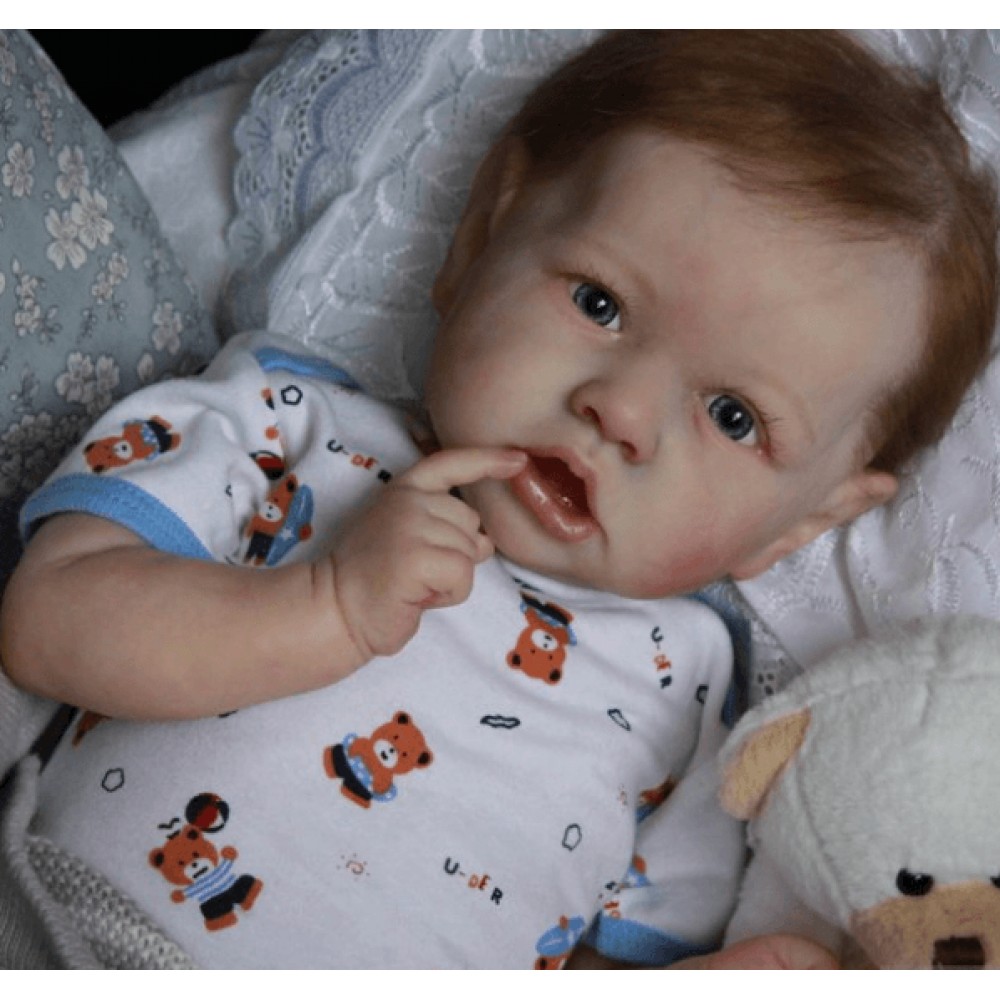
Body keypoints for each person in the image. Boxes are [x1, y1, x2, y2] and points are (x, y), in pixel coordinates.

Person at [1, 30, 996, 969]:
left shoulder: (691, 701)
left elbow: (600, 957)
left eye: (732, 416)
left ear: (805, 522)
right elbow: (47, 627)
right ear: (481, 234)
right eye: (599, 303)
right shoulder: (285, 421)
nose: (621, 412)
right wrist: (326, 606)